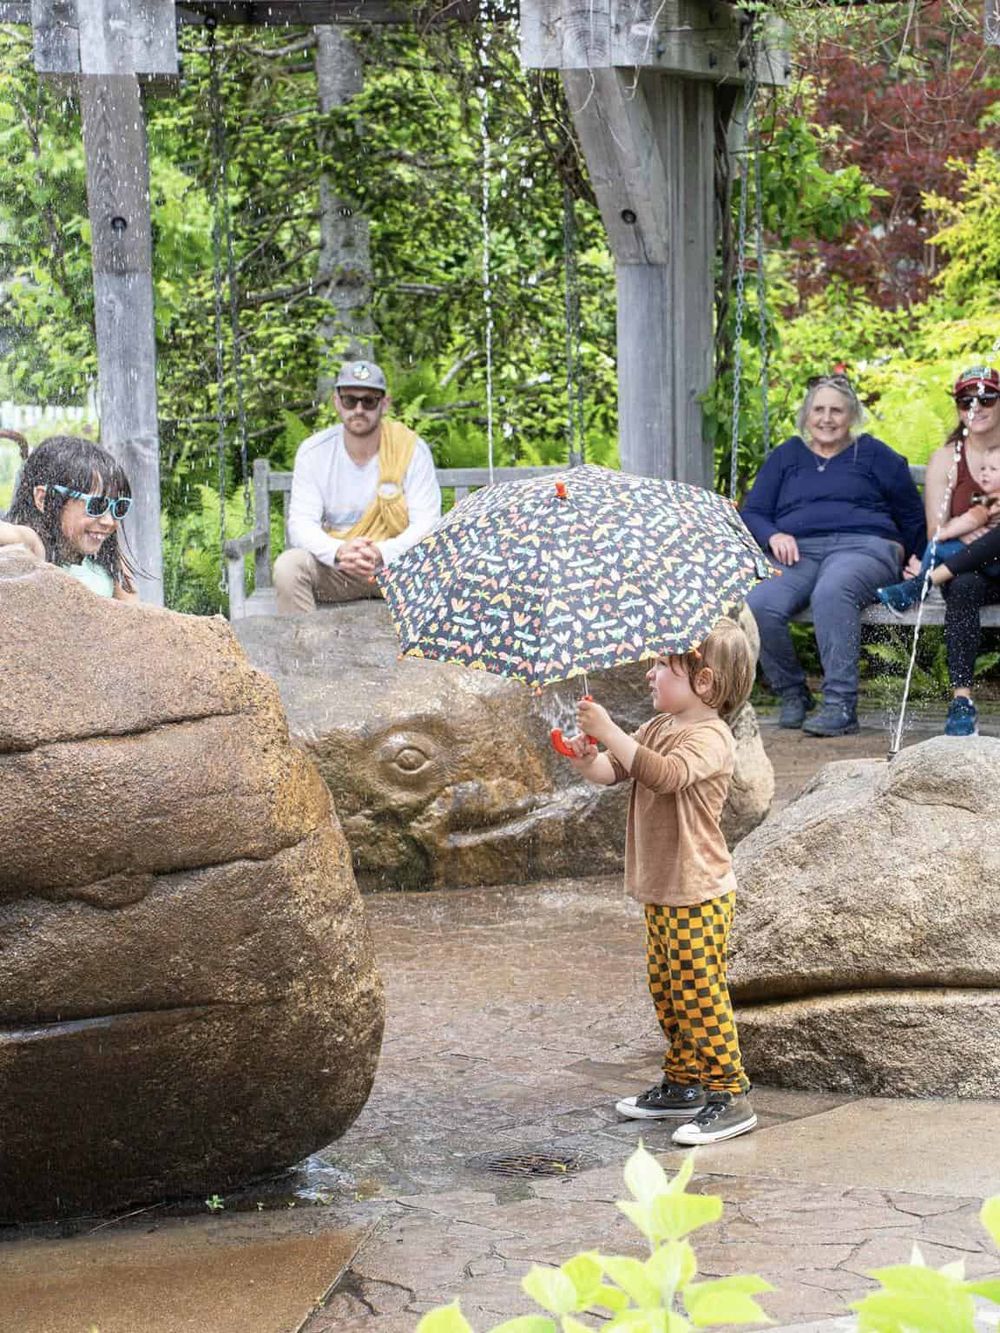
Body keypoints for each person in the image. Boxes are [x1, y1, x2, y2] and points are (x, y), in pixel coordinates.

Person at [560, 618, 758, 1146]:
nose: (650, 674)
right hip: (661, 887)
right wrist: (588, 759)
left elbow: (665, 776)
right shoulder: (658, 727)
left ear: (705, 682)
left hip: (698, 889)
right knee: (668, 990)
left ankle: (729, 1093)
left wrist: (609, 730)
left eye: (662, 666)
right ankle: (684, 1081)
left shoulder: (711, 738)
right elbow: (615, 770)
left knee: (699, 991)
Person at [741, 373, 925, 737]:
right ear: (806, 415)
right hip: (800, 551)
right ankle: (793, 693)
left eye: (836, 411)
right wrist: (773, 534)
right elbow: (754, 512)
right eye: (819, 410)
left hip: (865, 547)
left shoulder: (875, 454)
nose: (827, 418)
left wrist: (917, 558)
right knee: (759, 603)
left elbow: (911, 514)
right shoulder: (787, 456)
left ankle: (841, 704)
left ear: (852, 415)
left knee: (833, 590)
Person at [875, 366, 1000, 736]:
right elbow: (936, 532)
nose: (975, 407)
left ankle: (922, 584)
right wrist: (976, 522)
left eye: (987, 398)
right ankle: (962, 701)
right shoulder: (947, 458)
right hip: (968, 567)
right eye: (966, 400)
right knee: (963, 586)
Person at [274, 359, 442, 614]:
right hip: (339, 570)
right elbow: (301, 523)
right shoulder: (314, 452)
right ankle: (306, 640)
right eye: (350, 400)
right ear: (337, 402)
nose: (359, 409)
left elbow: (427, 524)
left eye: (369, 401)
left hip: (398, 571)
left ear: (384, 403)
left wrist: (381, 552)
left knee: (446, 567)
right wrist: (339, 551)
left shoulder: (411, 450)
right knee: (289, 567)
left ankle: (425, 642)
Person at [0, 435, 137, 601]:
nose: (108, 521)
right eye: (96, 505)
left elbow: (134, 612)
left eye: (119, 506)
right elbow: (11, 533)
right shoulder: (36, 547)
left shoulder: (110, 561)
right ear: (43, 499)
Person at [878, 451, 1000, 604]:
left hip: (989, 562)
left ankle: (917, 586)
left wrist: (946, 533)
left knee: (936, 547)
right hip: (985, 561)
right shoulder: (988, 498)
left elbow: (972, 520)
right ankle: (920, 582)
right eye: (983, 468)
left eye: (993, 469)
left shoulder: (993, 501)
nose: (985, 473)